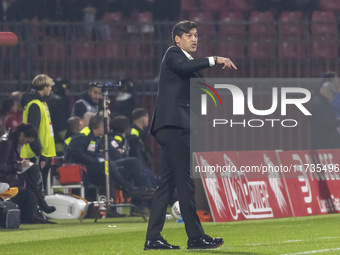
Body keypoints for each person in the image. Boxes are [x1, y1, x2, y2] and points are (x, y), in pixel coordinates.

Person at [145, 20, 237, 250]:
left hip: (173, 127)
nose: (194, 39)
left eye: (196, 35)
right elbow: (184, 69)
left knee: (166, 184)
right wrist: (214, 59)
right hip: (173, 127)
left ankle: (153, 238)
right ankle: (195, 237)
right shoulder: (173, 54)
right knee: (186, 183)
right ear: (177, 39)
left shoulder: (188, 63)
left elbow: (201, 88)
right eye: (189, 35)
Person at [67, 115, 149, 200]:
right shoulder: (83, 136)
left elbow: (99, 153)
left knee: (133, 161)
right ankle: (128, 188)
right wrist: (95, 161)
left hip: (99, 164)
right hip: (84, 168)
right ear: (98, 126)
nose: (108, 128)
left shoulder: (99, 137)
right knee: (107, 166)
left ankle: (144, 188)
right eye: (106, 126)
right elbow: (76, 153)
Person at [0, 123, 55, 222]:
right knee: (33, 173)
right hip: (6, 180)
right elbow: (2, 166)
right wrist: (19, 165)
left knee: (33, 169)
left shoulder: (12, 141)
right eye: (27, 141)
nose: (26, 144)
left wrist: (19, 164)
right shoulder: (7, 143)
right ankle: (42, 203)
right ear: (22, 134)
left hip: (10, 177)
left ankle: (41, 202)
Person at [20, 74, 56, 192]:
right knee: (36, 189)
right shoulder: (35, 104)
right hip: (36, 154)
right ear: (45, 86)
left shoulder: (41, 103)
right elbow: (32, 129)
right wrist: (38, 151)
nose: (51, 89)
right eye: (50, 86)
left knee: (40, 189)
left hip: (43, 152)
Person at [309, 81, 340, 149]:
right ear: (326, 92)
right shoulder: (318, 104)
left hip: (326, 142)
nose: (331, 97)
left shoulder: (323, 103)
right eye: (331, 94)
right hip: (325, 144)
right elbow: (326, 124)